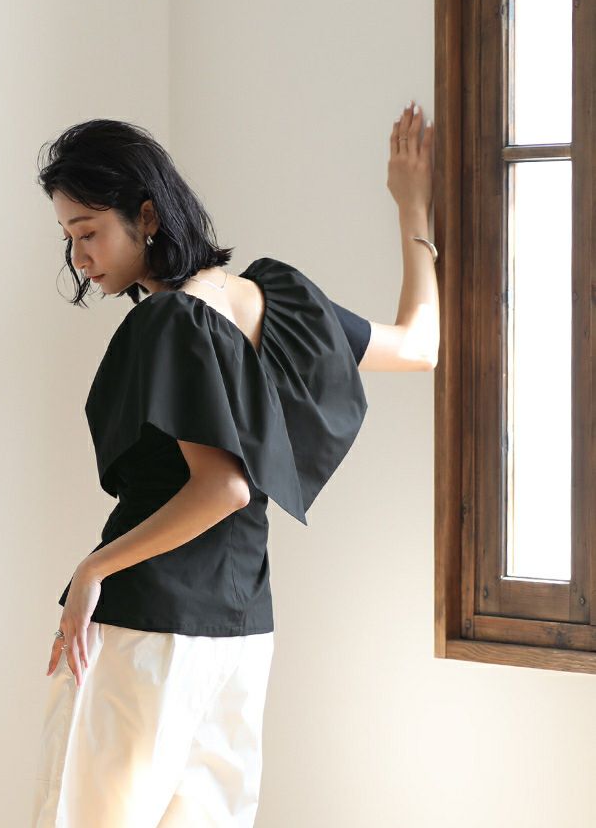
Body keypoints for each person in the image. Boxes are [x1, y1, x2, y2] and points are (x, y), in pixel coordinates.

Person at [30, 100, 437, 827]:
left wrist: (92, 571)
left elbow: (222, 486)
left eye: (88, 232)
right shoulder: (277, 302)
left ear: (147, 216)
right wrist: (413, 207)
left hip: (145, 624)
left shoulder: (168, 320)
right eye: (69, 239)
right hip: (242, 629)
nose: (80, 258)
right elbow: (419, 345)